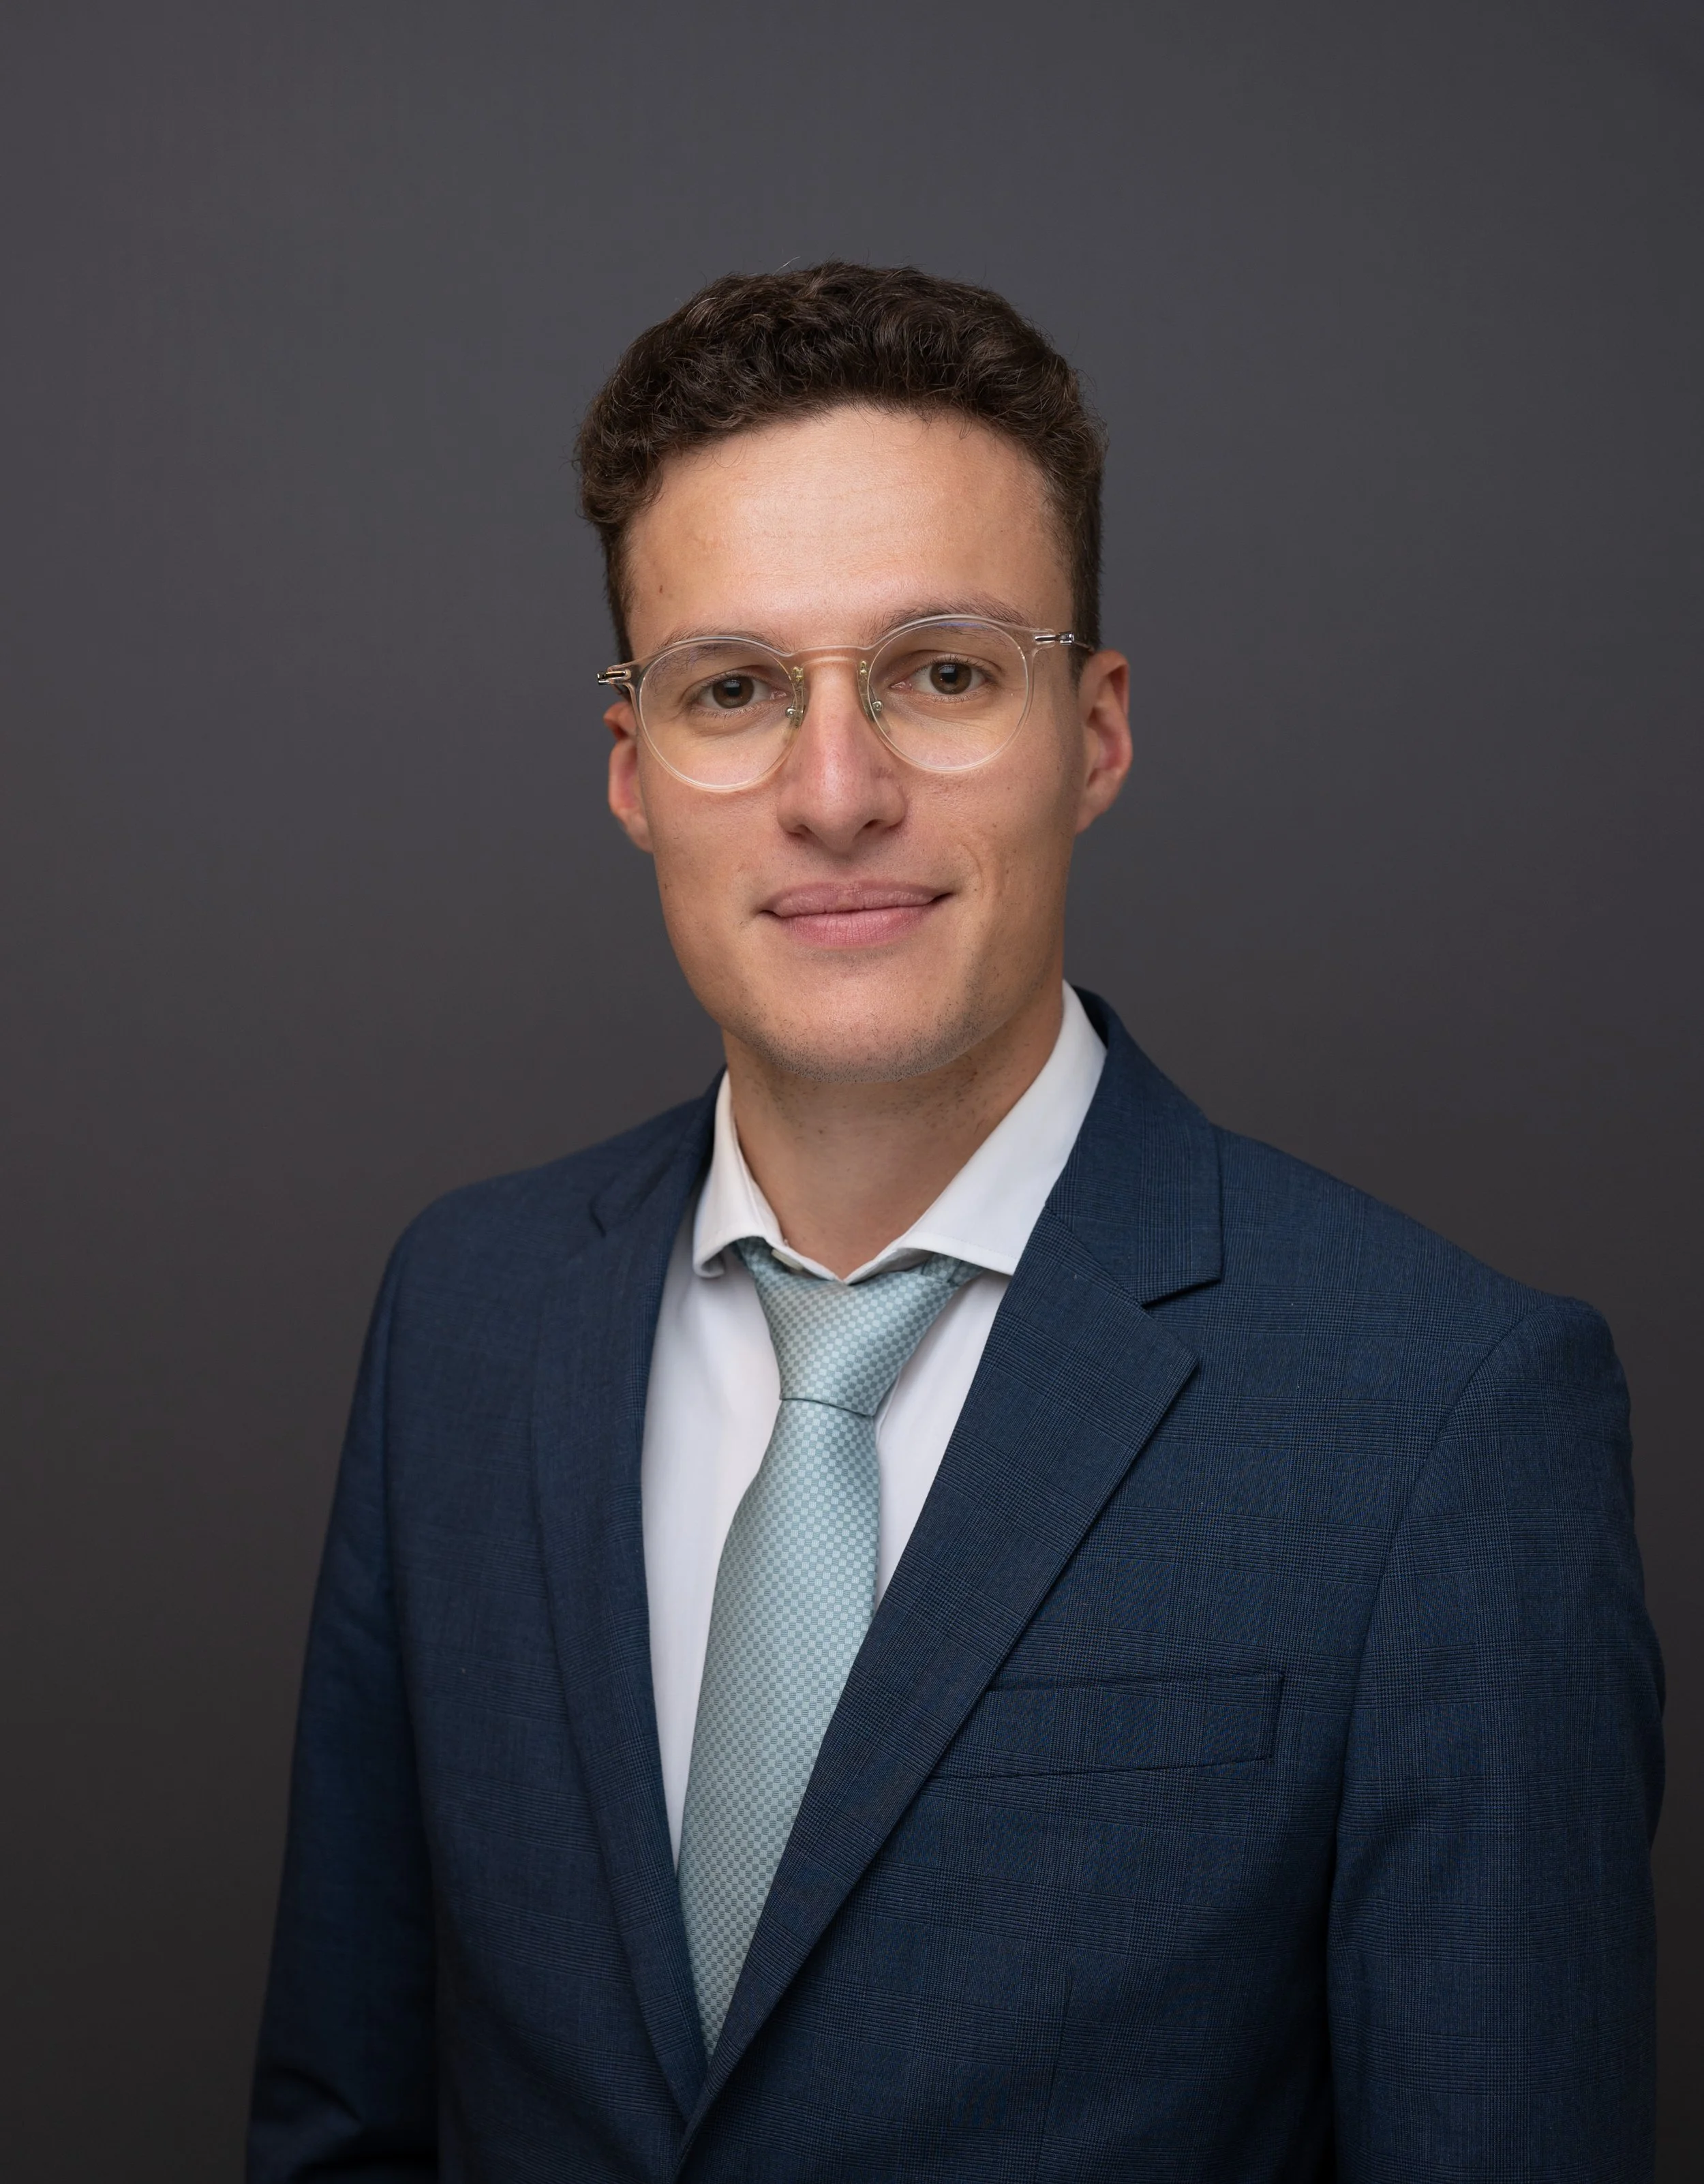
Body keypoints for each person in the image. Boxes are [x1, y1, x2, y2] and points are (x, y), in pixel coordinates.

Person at [248, 263, 1663, 2183]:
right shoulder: (468, 1315)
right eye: (732, 689)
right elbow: (347, 2122)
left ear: (1091, 730)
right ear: (631, 772)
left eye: (939, 671)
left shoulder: (1440, 1414)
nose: (837, 792)